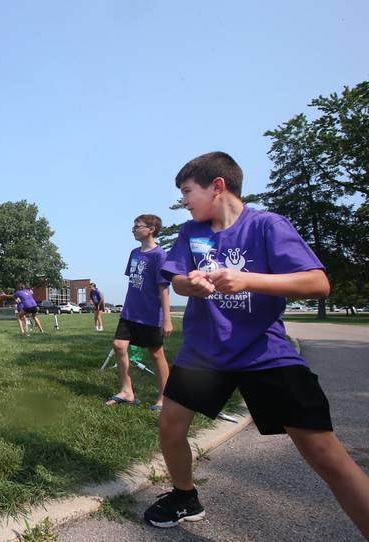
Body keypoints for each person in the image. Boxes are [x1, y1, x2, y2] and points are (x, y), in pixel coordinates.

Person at [145, 151, 369, 538]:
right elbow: (176, 279)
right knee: (170, 425)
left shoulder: (268, 225)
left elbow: (318, 283)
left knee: (325, 454)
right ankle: (185, 496)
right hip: (204, 356)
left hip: (264, 354)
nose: (184, 201)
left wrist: (250, 280)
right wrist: (190, 284)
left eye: (187, 191)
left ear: (218, 186)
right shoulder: (190, 233)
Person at [105, 214, 172, 411]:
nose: (133, 229)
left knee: (156, 354)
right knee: (118, 346)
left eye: (137, 226)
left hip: (150, 314)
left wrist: (167, 319)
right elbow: (134, 282)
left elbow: (163, 288)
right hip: (129, 312)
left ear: (151, 229)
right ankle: (127, 391)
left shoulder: (160, 255)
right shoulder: (134, 253)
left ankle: (163, 398)